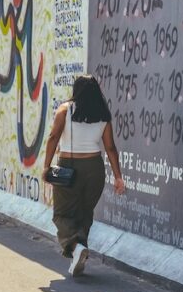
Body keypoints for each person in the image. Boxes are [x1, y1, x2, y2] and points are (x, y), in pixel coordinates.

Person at [42, 74, 126, 276]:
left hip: (69, 167)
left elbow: (53, 137)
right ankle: (78, 254)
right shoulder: (103, 115)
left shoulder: (65, 110)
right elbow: (111, 148)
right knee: (84, 212)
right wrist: (118, 177)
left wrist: (46, 166)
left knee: (62, 214)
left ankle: (75, 247)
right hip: (95, 168)